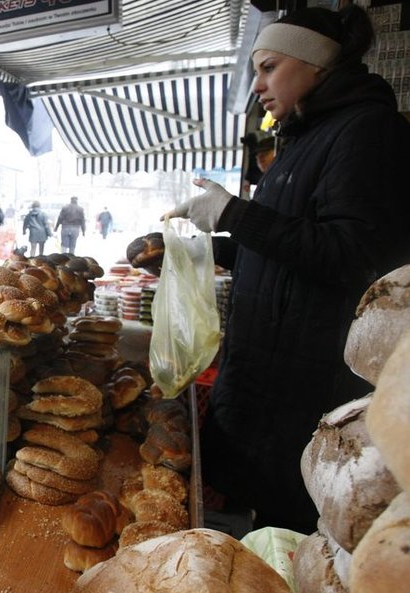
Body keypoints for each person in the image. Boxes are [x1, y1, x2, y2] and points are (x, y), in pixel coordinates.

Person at [164, 5, 410, 534]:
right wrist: (204, 248)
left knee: (296, 536)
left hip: (308, 397)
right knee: (266, 533)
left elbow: (357, 255)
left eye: (269, 67)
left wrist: (234, 213)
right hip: (268, 386)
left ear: (316, 65)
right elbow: (284, 251)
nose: (257, 85)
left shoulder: (367, 132)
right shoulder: (303, 138)